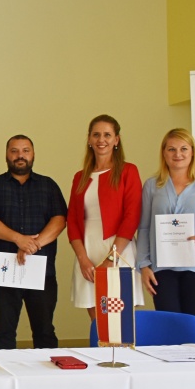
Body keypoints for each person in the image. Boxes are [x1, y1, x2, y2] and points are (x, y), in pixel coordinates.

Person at [0, 134, 67, 349]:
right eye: (14, 151)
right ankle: (3, 371)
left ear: (33, 154)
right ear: (6, 155)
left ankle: (46, 371)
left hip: (41, 270)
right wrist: (18, 239)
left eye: (25, 151)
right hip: (5, 271)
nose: (20, 156)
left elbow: (59, 220)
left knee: (45, 331)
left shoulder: (48, 185)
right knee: (3, 332)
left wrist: (32, 246)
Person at [136, 128, 195, 320]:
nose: (177, 154)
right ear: (164, 153)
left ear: (192, 152)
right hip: (162, 269)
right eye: (171, 149)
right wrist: (144, 265)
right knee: (168, 324)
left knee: (192, 324)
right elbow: (144, 228)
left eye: (183, 149)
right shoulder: (152, 185)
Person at [67, 114, 143, 319]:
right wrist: (82, 259)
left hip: (119, 251)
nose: (101, 140)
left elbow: (132, 216)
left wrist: (111, 258)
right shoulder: (80, 177)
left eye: (107, 135)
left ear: (116, 140)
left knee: (119, 323)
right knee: (97, 322)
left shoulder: (128, 171)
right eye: (96, 135)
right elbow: (72, 220)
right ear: (89, 139)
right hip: (88, 252)